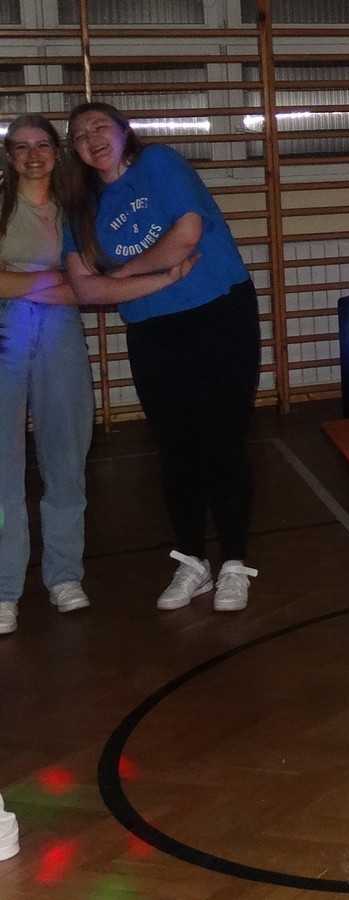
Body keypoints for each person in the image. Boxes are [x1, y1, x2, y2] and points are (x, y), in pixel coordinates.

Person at [61, 102, 261, 613]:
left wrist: (123, 275)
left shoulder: (159, 163)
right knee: (175, 448)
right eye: (79, 135)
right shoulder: (80, 209)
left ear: (123, 130)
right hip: (153, 330)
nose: (91, 138)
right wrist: (160, 279)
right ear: (75, 151)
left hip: (218, 311)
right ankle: (192, 560)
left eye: (99, 126)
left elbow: (185, 236)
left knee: (222, 438)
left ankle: (234, 562)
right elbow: (86, 289)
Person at [0, 114, 93, 636]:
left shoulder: (76, 207)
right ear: (9, 156)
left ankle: (64, 575)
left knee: (65, 457)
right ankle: (3, 588)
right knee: (2, 467)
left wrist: (21, 282)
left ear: (57, 152)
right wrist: (55, 280)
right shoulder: (1, 206)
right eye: (21, 147)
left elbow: (92, 281)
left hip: (61, 336)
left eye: (41, 145)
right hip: (5, 336)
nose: (32, 155)